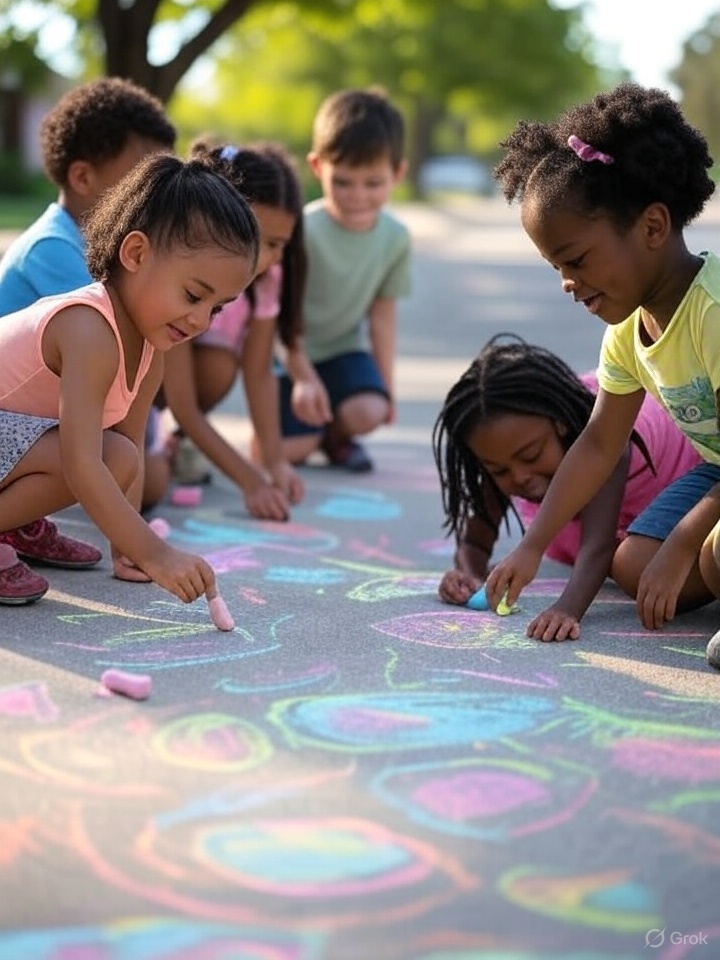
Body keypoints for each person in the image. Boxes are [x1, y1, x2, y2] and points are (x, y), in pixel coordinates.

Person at [483, 82, 720, 649]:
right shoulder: (627, 333)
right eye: (556, 267)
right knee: (636, 565)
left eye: (578, 260)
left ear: (653, 227)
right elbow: (597, 445)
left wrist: (687, 541)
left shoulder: (711, 311)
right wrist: (533, 545)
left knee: (702, 552)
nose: (568, 282)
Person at [0, 152, 259, 605]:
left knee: (119, 455)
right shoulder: (87, 328)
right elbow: (80, 463)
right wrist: (155, 552)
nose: (202, 320)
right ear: (136, 253)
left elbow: (130, 452)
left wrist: (128, 547)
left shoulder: (149, 351)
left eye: (216, 308)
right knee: (90, 456)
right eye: (194, 295)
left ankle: (13, 526)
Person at [433, 335, 708, 641]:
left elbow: (597, 547)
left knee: (632, 565)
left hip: (703, 490)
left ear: (559, 425)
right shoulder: (508, 449)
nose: (520, 476)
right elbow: (475, 543)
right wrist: (468, 574)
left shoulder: (606, 438)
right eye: (498, 470)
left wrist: (566, 609)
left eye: (531, 455)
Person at [0, 76, 177, 530]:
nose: (152, 200)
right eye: (141, 181)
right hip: (14, 425)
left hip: (28, 425)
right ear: (83, 177)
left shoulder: (90, 246)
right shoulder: (55, 249)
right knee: (134, 466)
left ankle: (23, 521)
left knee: (131, 461)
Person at [160, 139, 307, 520]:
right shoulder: (185, 273)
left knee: (220, 365)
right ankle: (152, 443)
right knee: (149, 485)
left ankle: (173, 444)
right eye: (262, 239)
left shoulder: (267, 280)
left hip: (183, 385)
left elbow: (259, 373)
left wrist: (274, 463)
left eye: (279, 245)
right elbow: (182, 402)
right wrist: (249, 480)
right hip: (137, 388)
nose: (272, 257)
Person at [278, 86, 412, 473]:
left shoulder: (395, 238)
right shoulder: (302, 230)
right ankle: (315, 435)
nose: (357, 196)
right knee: (291, 450)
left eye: (373, 183)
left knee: (370, 410)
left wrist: (386, 388)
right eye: (343, 181)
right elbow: (281, 316)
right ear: (318, 167)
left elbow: (382, 316)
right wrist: (302, 373)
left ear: (397, 173)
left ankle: (336, 437)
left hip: (341, 350)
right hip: (289, 353)